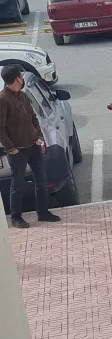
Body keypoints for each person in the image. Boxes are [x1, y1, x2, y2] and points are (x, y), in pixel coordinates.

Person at [0, 65, 60, 229]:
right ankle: (16, 217)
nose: (22, 79)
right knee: (18, 184)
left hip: (33, 145)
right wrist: (11, 148)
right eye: (20, 76)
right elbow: (1, 128)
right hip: (17, 150)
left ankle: (43, 212)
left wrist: (39, 136)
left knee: (41, 180)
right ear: (16, 79)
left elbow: (33, 117)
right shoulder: (3, 99)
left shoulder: (23, 96)